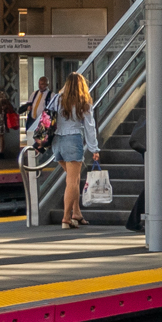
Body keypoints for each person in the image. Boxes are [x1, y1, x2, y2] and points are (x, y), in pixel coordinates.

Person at [53, 72, 101, 229]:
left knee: (73, 178)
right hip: (73, 140)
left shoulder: (57, 99)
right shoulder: (83, 101)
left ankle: (77, 213)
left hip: (57, 142)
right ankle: (66, 218)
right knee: (72, 181)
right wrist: (94, 148)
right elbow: (90, 127)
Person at [126, 119, 147, 233]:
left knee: (153, 185)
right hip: (153, 146)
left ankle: (134, 220)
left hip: (147, 145)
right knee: (153, 186)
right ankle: (134, 220)